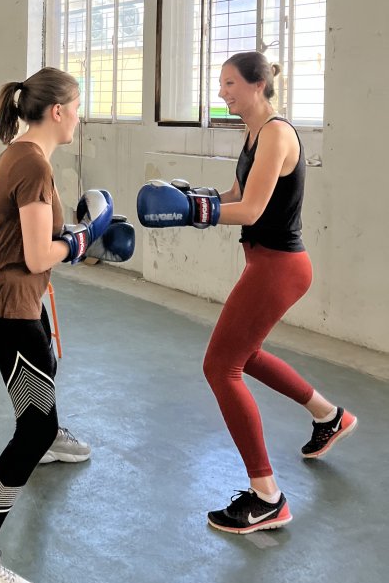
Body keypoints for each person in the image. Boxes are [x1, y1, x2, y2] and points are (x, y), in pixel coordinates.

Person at [137, 51, 357, 535]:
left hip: (280, 266)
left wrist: (196, 213)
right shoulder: (252, 134)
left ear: (257, 85)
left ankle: (268, 497)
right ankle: (329, 416)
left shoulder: (277, 134)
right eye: (221, 84)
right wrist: (199, 197)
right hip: (264, 261)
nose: (222, 92)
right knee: (246, 354)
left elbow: (253, 211)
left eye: (230, 83)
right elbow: (237, 195)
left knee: (221, 367)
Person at [0, 68, 134, 583]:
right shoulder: (29, 161)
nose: (81, 115)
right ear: (58, 110)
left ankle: (46, 435)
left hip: (15, 300)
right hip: (6, 304)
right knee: (32, 427)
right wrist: (84, 239)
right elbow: (36, 255)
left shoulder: (25, 155)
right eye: (77, 106)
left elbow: (38, 239)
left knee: (41, 389)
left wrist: (75, 234)